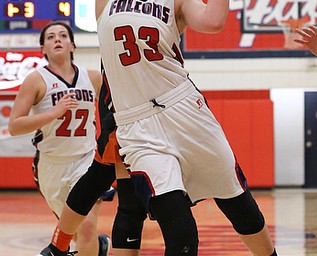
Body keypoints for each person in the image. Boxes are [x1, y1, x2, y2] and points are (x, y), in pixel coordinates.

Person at [35, 1, 278, 256]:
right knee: (176, 227)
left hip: (184, 109)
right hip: (135, 124)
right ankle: (57, 246)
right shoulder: (106, 3)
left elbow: (213, 22)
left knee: (236, 201)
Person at [8, 21, 111, 256]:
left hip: (87, 160)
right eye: (51, 37)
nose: (57, 40)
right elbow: (15, 126)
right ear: (42, 48)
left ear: (72, 45)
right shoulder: (36, 80)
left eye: (63, 36)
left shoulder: (92, 77)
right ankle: (100, 247)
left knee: (86, 229)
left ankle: (94, 246)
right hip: (52, 165)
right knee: (75, 232)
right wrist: (53, 113)